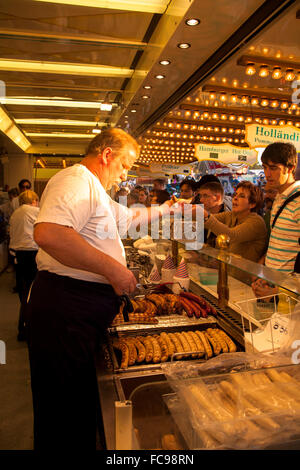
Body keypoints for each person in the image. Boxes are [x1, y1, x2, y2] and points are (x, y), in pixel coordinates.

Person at [27, 128, 176, 450]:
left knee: (77, 397)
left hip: (78, 306)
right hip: (66, 305)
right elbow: (50, 234)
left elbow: (127, 218)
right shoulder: (76, 180)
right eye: (124, 165)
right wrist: (115, 271)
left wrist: (168, 209)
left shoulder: (94, 188)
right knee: (63, 404)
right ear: (107, 154)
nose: (124, 174)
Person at [252, 142, 300, 298]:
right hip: (274, 286)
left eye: (273, 168)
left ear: (291, 168)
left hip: (290, 296)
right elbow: (279, 244)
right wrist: (264, 274)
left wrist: (277, 292)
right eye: (265, 167)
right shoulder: (279, 197)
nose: (267, 174)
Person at [200, 181, 267, 262]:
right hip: (224, 270)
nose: (235, 198)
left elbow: (232, 236)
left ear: (252, 204)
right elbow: (206, 220)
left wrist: (206, 217)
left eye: (242, 196)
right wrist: (186, 212)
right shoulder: (231, 215)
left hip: (244, 273)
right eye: (235, 194)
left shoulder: (256, 222)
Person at [9, 190, 39, 341]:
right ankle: (29, 328)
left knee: (24, 292)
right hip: (32, 255)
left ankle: (23, 327)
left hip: (18, 256)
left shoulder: (15, 214)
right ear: (34, 200)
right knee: (34, 292)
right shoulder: (35, 212)